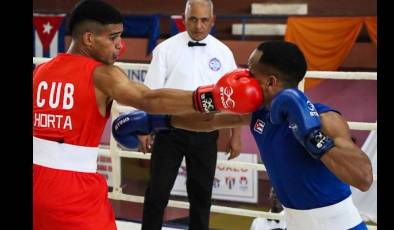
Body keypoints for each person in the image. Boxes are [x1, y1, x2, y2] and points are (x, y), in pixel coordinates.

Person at [32, 0, 263, 229]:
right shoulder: (103, 75)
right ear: (89, 38)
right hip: (74, 190)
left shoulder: (40, 71)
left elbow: (175, 120)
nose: (119, 46)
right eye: (113, 38)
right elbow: (149, 100)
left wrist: (246, 118)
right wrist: (212, 97)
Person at [113, 40, 374, 230]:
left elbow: (363, 178)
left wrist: (311, 135)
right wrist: (157, 122)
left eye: (250, 72)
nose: (242, 75)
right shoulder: (257, 112)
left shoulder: (325, 119)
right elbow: (208, 121)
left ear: (270, 82)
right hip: (295, 224)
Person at [137, 1, 243, 229]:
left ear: (213, 21)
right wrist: (144, 128)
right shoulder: (165, 49)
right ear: (184, 19)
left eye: (204, 20)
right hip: (168, 130)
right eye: (193, 19)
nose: (198, 25)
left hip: (206, 132)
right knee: (157, 193)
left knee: (201, 196)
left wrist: (236, 135)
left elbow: (234, 97)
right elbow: (150, 92)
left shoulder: (224, 52)